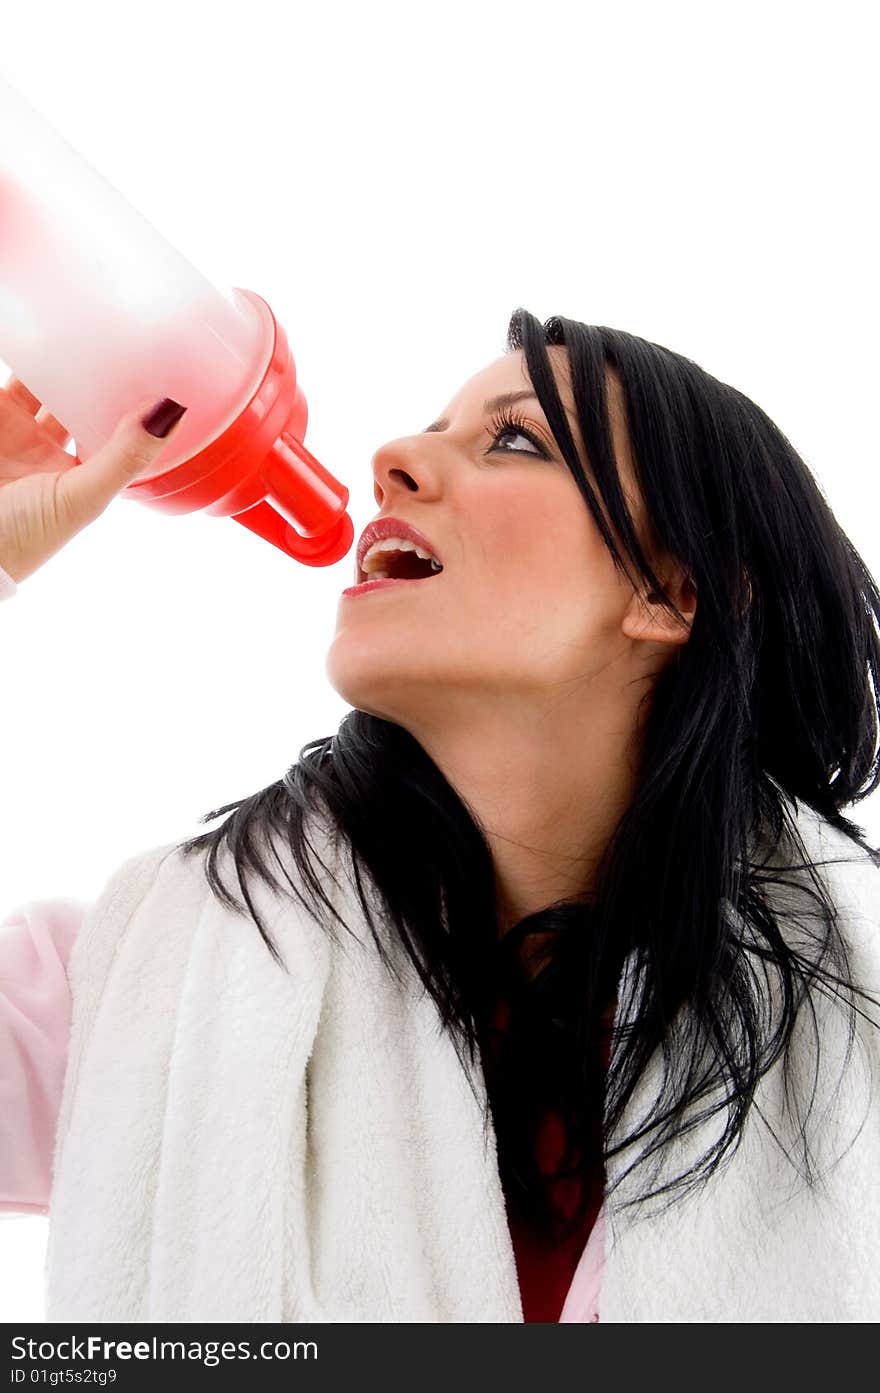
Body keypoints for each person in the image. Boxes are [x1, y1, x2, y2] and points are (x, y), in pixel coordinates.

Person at [1, 309, 879, 1323]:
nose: (392, 459)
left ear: (672, 592)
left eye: (514, 439)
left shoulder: (852, 1016)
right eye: (431, 427)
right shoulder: (141, 984)